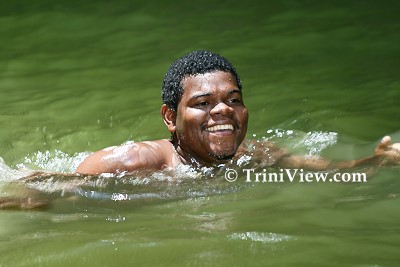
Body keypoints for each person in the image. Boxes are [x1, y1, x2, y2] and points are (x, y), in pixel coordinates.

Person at [76, 50, 400, 175]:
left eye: (233, 100)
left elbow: (330, 172)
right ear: (170, 118)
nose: (223, 111)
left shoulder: (253, 155)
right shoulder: (137, 161)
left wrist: (374, 160)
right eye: (203, 104)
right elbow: (57, 184)